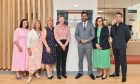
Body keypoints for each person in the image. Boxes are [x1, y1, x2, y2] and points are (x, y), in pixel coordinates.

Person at [109, 12, 131, 82]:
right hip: (114, 46)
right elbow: (112, 35)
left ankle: (124, 75)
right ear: (115, 18)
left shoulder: (125, 26)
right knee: (116, 60)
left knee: (123, 61)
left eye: (119, 16)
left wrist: (124, 42)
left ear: (121, 18)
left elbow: (128, 36)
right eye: (116, 16)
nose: (117, 18)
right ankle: (116, 73)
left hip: (122, 46)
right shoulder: (112, 26)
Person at [75, 11, 95, 80]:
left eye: (85, 16)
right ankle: (80, 72)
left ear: (87, 16)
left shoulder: (91, 24)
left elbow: (93, 35)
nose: (84, 17)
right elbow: (76, 35)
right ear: (81, 17)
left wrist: (87, 40)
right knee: (80, 60)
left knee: (89, 60)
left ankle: (90, 72)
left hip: (88, 45)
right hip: (80, 45)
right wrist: (80, 40)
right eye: (82, 16)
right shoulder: (78, 25)